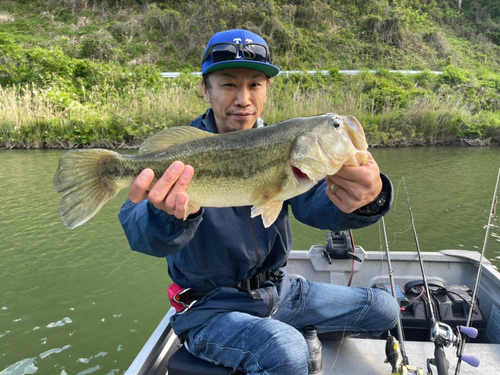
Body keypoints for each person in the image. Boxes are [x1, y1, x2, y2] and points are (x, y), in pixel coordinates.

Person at [119, 29, 399, 375]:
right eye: (228, 84)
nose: (243, 99)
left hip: (280, 292)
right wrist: (168, 217)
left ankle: (280, 330)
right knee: (287, 351)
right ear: (205, 89)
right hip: (210, 308)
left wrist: (368, 200)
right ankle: (271, 338)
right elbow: (140, 231)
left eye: (255, 84)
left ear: (266, 90)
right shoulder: (180, 155)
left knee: (385, 308)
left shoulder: (290, 147)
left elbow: (320, 206)